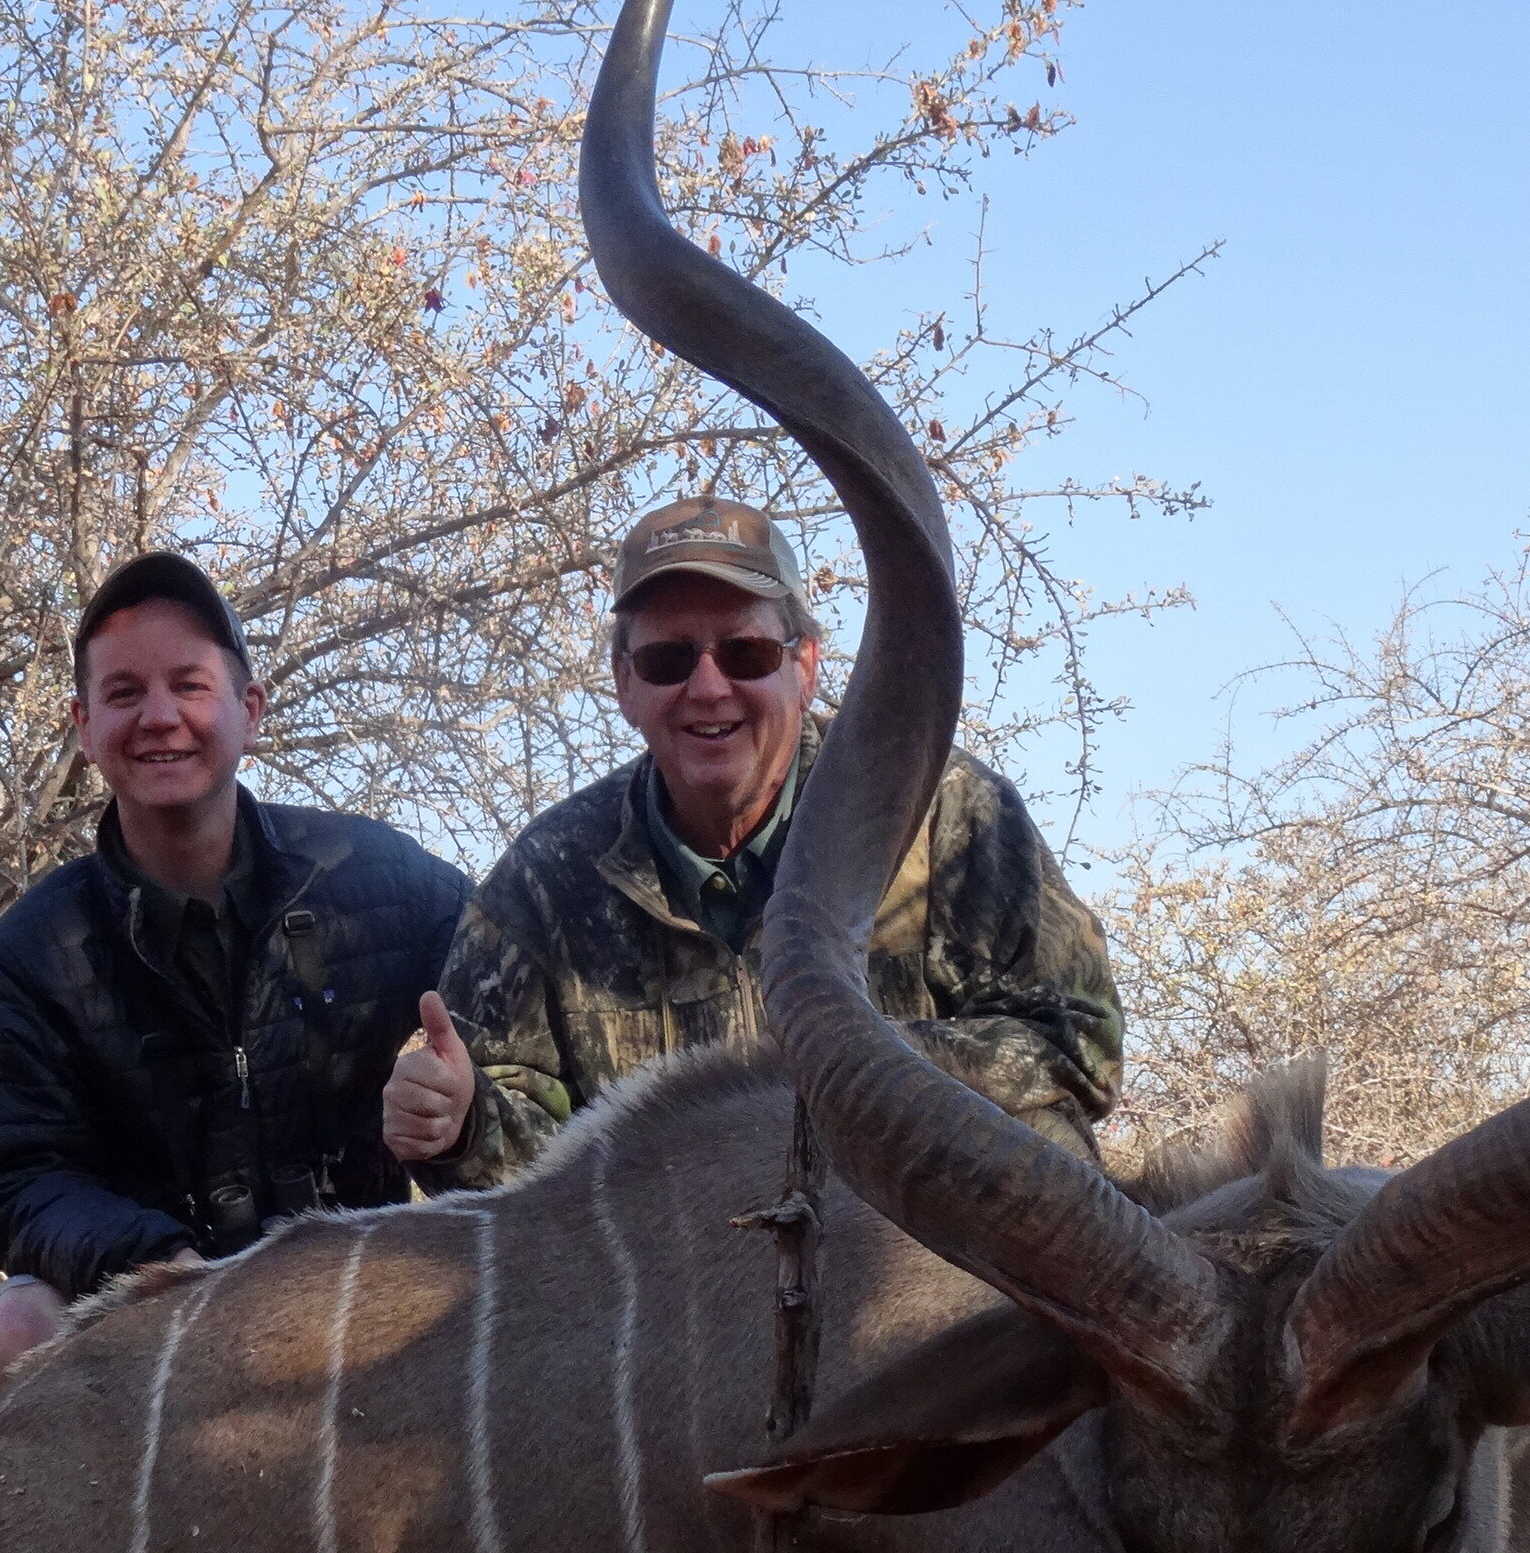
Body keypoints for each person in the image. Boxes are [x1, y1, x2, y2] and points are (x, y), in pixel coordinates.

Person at [383, 494, 1119, 1184]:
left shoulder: (944, 810)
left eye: (745, 654)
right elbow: (537, 1179)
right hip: (681, 1284)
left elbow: (1076, 1047)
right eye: (668, 660)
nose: (707, 689)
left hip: (914, 1257)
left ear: (804, 666)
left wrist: (854, 1069)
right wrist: (462, 1122)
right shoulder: (543, 878)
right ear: (623, 684)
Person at [0, 554, 466, 1393]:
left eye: (189, 686)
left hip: (361, 1297)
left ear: (249, 711)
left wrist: (463, 1095)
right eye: (124, 694)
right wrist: (161, 1262)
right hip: (156, 1316)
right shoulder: (33, 950)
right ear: (85, 729)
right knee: (22, 1325)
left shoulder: (373, 872)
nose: (159, 717)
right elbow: (18, 1181)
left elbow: (515, 989)